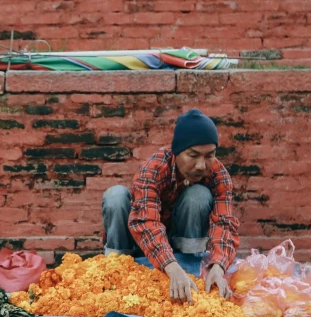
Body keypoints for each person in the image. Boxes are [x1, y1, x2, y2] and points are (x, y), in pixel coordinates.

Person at [102, 108, 239, 303]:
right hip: (142, 247)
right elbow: (146, 221)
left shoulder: (218, 174)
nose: (201, 165)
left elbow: (224, 223)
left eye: (210, 155)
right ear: (176, 152)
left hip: (181, 249)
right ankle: (114, 272)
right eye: (193, 155)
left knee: (198, 194)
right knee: (115, 196)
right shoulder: (154, 168)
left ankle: (191, 273)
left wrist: (218, 266)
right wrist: (170, 266)